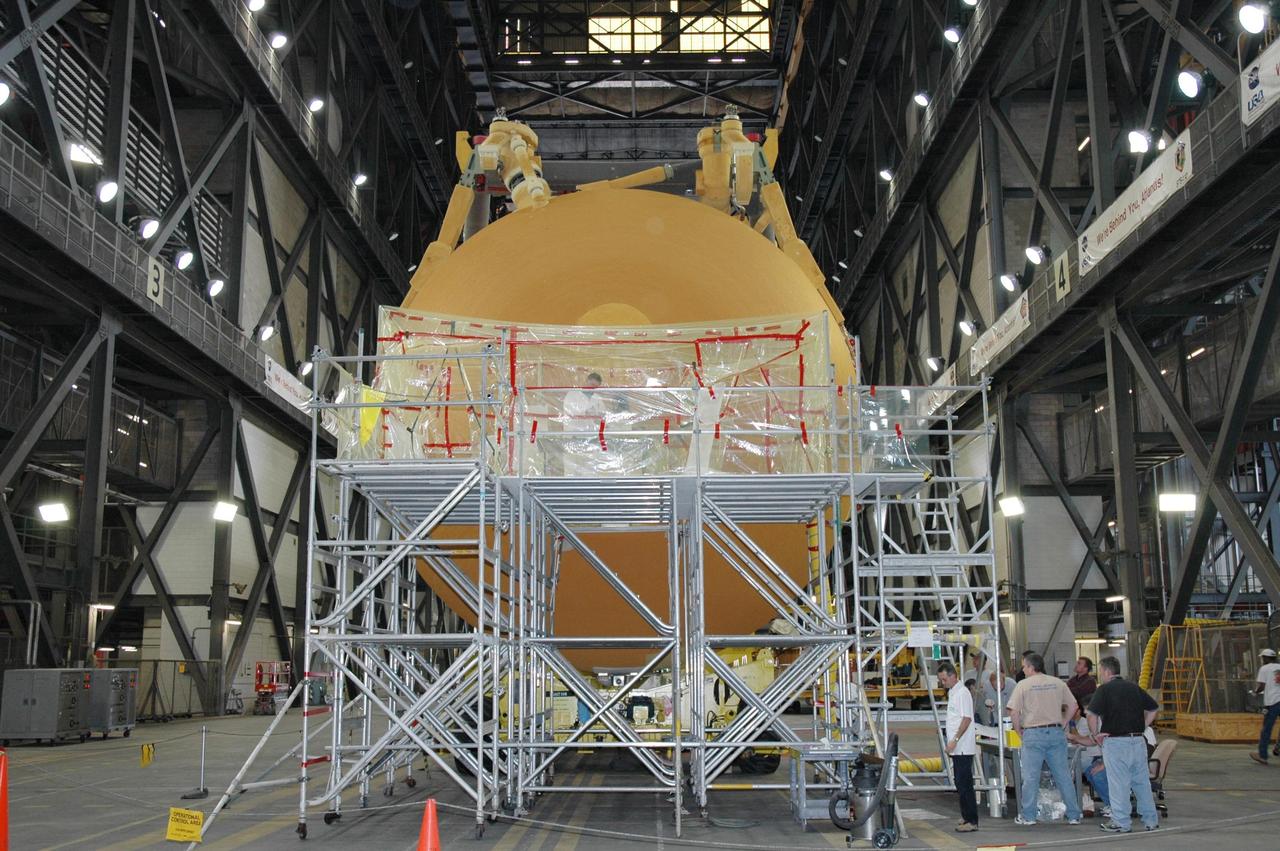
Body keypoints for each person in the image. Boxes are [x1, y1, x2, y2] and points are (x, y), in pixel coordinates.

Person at [1006, 652, 1083, 826]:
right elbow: (1073, 705)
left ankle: (1029, 816)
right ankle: (1073, 815)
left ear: (1031, 667)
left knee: (1031, 777)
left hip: (1033, 733)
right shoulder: (1057, 683)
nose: (1023, 670)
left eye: (1024, 666)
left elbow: (1014, 712)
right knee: (1063, 775)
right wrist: (1063, 723)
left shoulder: (1023, 685)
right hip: (1055, 733)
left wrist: (1018, 730)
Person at [1086, 656, 1160, 834]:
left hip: (1116, 742)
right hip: (1137, 741)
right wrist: (1143, 726)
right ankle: (1151, 820)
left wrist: (1096, 735)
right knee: (1141, 782)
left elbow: (1091, 714)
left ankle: (1121, 822)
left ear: (1105, 671)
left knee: (1119, 783)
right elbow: (1154, 708)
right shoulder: (1134, 687)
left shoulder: (1103, 690)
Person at [937, 662, 979, 833]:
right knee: (960, 782)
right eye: (941, 680)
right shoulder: (954, 692)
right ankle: (966, 815)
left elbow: (966, 719)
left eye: (944, 679)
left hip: (962, 746)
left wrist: (954, 739)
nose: (942, 683)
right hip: (957, 746)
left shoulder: (962, 693)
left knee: (965, 783)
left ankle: (972, 820)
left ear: (953, 676)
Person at [1067, 715, 1110, 818]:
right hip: (1098, 758)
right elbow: (1092, 741)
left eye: (1087, 711)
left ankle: (1116, 806)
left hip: (1094, 757)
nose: (1085, 713)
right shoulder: (1097, 723)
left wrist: (1104, 764)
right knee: (1087, 770)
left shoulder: (1087, 722)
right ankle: (1111, 804)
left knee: (1095, 773)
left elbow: (1113, 747)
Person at [562, 372, 605, 475]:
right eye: (591, 385)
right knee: (573, 466)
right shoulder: (572, 394)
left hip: (591, 437)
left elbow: (603, 415)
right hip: (574, 436)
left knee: (589, 467)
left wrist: (598, 416)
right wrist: (585, 412)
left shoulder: (598, 398)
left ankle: (589, 488)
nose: (593, 388)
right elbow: (568, 412)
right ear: (586, 381)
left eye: (595, 387)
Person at [1250, 648, 1280, 765]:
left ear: (1266, 658)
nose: (1262, 660)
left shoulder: (1264, 668)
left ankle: (1262, 755)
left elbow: (1262, 686)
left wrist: (1255, 692)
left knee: (1266, 729)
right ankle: (1278, 748)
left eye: (1263, 658)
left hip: (1272, 702)